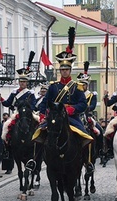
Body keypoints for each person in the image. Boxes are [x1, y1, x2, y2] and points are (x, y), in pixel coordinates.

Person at [34, 27, 93, 174]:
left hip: (72, 118)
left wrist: (72, 109)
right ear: (60, 70)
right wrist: (42, 116)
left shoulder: (77, 87)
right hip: (54, 118)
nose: (64, 71)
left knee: (85, 136)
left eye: (66, 69)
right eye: (62, 69)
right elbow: (44, 103)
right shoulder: (54, 87)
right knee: (39, 135)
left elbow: (83, 104)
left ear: (70, 70)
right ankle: (34, 161)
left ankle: (87, 161)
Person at [0, 71, 36, 142]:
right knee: (6, 125)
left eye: (24, 82)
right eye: (21, 81)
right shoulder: (14, 92)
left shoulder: (30, 93)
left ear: (27, 83)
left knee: (39, 122)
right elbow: (8, 103)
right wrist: (1, 98)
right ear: (19, 82)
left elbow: (33, 104)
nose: (22, 83)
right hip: (17, 112)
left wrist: (29, 110)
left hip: (28, 112)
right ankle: (7, 143)